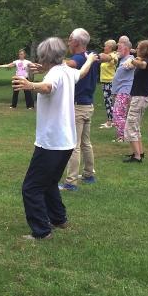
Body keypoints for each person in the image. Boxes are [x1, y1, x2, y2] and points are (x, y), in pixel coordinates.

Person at [12, 37, 97, 240]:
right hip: (66, 142)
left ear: (45, 57)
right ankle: (59, 219)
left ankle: (41, 231)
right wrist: (91, 60)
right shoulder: (67, 71)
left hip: (51, 143)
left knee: (31, 188)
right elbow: (82, 72)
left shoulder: (55, 74)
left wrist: (30, 85)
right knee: (49, 182)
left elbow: (48, 87)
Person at [60, 28, 100, 192]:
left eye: (70, 39)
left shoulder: (77, 59)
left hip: (77, 106)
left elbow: (69, 64)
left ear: (76, 42)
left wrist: (51, 61)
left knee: (74, 144)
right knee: (85, 143)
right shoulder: (92, 56)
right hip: (88, 105)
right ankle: (89, 174)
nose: (68, 42)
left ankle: (71, 182)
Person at [122, 40, 148, 163]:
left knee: (130, 126)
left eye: (138, 48)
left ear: (143, 50)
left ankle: (137, 157)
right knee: (135, 127)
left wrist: (131, 60)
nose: (136, 49)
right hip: (139, 98)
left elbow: (142, 65)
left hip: (140, 98)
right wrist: (134, 55)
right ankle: (139, 153)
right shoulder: (145, 60)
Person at [111, 37, 136, 142]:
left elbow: (132, 63)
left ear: (126, 49)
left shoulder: (130, 59)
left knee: (118, 114)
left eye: (120, 48)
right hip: (120, 91)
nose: (118, 50)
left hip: (124, 91)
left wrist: (131, 62)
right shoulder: (123, 60)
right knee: (121, 114)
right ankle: (125, 135)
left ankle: (123, 137)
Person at [97, 39, 118, 129]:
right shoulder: (108, 56)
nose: (104, 47)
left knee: (109, 102)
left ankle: (110, 122)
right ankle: (111, 120)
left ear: (110, 47)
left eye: (105, 46)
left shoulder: (113, 56)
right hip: (105, 82)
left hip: (110, 82)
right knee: (108, 102)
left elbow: (114, 59)